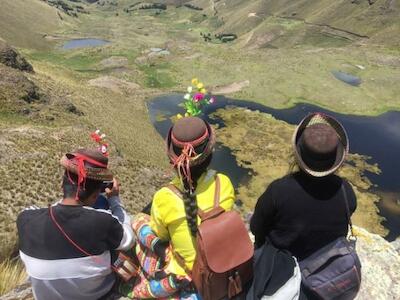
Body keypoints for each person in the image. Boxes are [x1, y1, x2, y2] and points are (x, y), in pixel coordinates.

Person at [120, 116, 235, 299]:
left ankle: (142, 285)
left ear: (173, 160)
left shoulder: (164, 197)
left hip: (184, 274)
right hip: (218, 269)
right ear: (209, 154)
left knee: (139, 221)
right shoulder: (224, 183)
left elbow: (161, 236)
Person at [250, 113, 357, 298]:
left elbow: (256, 227)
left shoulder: (279, 191)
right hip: (325, 272)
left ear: (299, 153)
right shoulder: (345, 191)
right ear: (336, 159)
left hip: (280, 271)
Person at [17, 148, 135, 300]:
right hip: (98, 295)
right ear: (94, 195)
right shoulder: (102, 222)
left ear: (62, 185)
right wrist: (114, 200)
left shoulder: (25, 219)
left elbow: (43, 210)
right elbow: (129, 239)